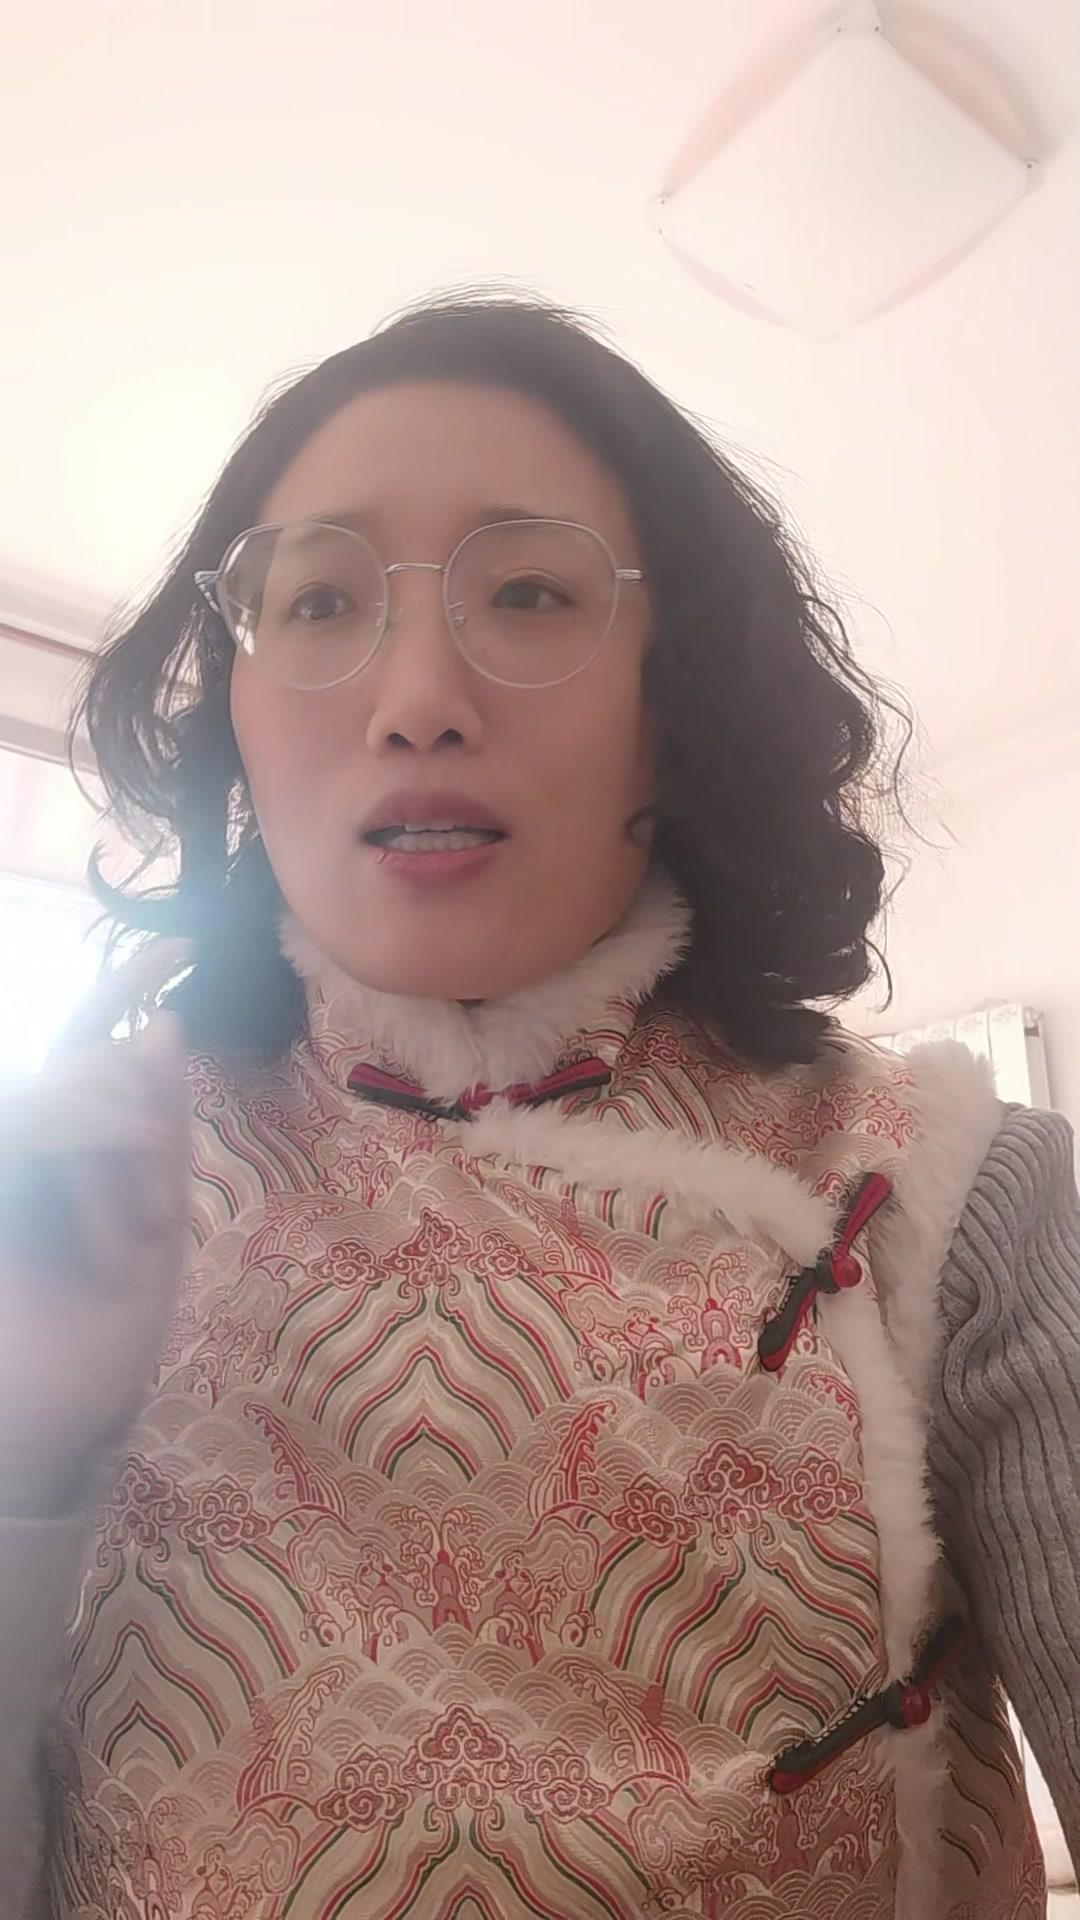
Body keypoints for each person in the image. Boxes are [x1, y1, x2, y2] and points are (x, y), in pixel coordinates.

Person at [1, 295, 1076, 1920]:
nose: (416, 700)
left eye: (526, 590)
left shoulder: (952, 1192)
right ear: (233, 707)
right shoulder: (74, 1208)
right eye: (318, 601)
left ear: (674, 697)